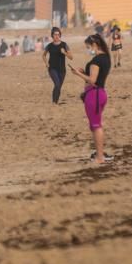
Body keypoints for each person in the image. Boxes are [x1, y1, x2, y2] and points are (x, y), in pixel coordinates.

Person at [71, 33, 112, 165]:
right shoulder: (106, 58)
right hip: (100, 94)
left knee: (96, 126)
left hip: (94, 94)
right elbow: (97, 77)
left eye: (89, 46)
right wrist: (85, 72)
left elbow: (93, 80)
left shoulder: (96, 60)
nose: (89, 49)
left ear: (95, 45)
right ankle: (99, 153)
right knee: (95, 125)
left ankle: (100, 157)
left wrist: (78, 74)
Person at [42, 27, 73, 105]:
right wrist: (46, 63)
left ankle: (55, 102)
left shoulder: (64, 45)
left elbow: (71, 57)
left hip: (62, 70)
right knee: (57, 84)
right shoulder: (49, 46)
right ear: (52, 35)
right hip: (52, 68)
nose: (57, 36)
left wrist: (64, 53)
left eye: (58, 34)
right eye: (55, 34)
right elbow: (43, 55)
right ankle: (54, 103)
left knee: (58, 87)